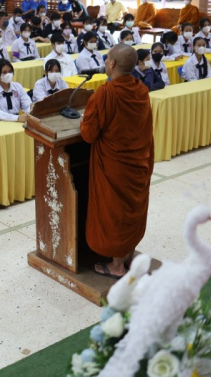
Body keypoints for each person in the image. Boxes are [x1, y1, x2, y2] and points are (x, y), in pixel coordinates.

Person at [80, 44, 154, 278]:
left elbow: (88, 134)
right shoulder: (141, 90)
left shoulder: (106, 93)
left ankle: (116, 266)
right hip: (138, 162)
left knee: (115, 213)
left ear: (111, 63)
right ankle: (128, 255)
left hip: (114, 168)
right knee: (132, 209)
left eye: (107, 59)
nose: (105, 62)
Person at [0, 59, 30, 123]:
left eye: (10, 71)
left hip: (15, 120)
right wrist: (17, 118)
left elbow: (27, 104)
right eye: (4, 72)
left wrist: (29, 113)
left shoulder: (18, 86)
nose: (8, 74)